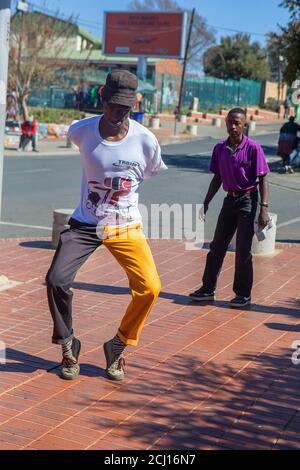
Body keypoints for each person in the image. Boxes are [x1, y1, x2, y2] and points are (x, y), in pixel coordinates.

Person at [45, 70, 167, 382]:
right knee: (57, 280)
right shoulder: (81, 131)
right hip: (86, 223)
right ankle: (68, 345)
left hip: (125, 226)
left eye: (125, 108)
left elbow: (148, 174)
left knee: (150, 288)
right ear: (102, 97)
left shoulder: (146, 141)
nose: (118, 113)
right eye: (113, 105)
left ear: (135, 104)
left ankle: (118, 345)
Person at [189, 108, 270, 308]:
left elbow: (262, 179)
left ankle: (243, 294)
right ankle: (207, 289)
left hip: (248, 201)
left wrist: (263, 208)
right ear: (226, 123)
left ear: (244, 125)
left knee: (243, 250)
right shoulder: (220, 148)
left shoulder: (253, 148)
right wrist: (206, 202)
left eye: (237, 123)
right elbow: (217, 177)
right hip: (229, 201)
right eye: (230, 123)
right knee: (217, 246)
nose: (233, 127)